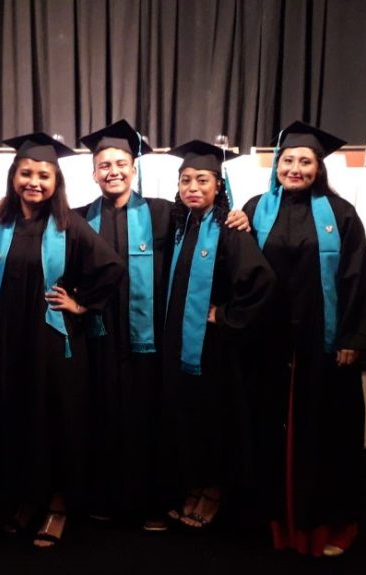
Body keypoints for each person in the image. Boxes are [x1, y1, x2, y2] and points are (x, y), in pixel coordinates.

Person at [74, 120, 254, 530]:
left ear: (134, 168)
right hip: (101, 342)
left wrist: (239, 217)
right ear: (93, 172)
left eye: (121, 163)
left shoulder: (162, 213)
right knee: (103, 420)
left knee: (149, 424)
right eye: (104, 165)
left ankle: (151, 502)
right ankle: (105, 497)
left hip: (151, 344)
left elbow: (205, 230)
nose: (113, 171)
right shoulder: (78, 219)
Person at [0, 133, 124, 548]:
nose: (34, 182)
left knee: (58, 422)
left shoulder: (67, 224)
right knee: (19, 420)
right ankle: (27, 497)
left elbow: (112, 266)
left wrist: (81, 305)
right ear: (13, 176)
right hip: (10, 342)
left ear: (56, 180)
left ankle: (59, 505)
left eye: (43, 174)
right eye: (26, 173)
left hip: (53, 344)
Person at [242, 121, 366, 557]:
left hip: (322, 348)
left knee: (327, 434)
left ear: (318, 168)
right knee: (269, 433)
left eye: (305, 162)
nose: (295, 169)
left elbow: (356, 277)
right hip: (270, 346)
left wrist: (350, 337)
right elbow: (239, 268)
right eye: (288, 161)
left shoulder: (340, 214)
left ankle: (330, 522)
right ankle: (277, 518)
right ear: (277, 165)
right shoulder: (254, 208)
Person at [160, 140, 274, 530]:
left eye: (202, 180)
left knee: (212, 421)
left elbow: (261, 281)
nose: (193, 187)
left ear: (218, 186)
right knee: (186, 419)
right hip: (178, 345)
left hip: (214, 351)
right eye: (186, 180)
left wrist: (225, 316)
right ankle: (193, 484)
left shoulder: (229, 228)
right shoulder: (180, 226)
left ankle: (213, 491)